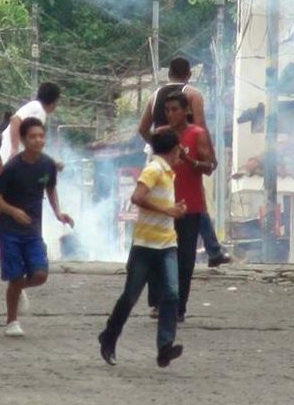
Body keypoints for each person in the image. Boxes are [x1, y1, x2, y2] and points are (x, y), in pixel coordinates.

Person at [98, 129, 186, 368]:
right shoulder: (154, 169)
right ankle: (109, 336)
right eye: (180, 148)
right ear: (173, 149)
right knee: (130, 296)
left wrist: (173, 209)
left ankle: (165, 347)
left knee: (171, 295)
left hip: (167, 242)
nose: (182, 153)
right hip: (146, 245)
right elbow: (137, 197)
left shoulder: (168, 172)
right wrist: (168, 210)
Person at [137, 57, 229, 266]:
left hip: (159, 159)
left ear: (169, 74)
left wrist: (159, 144)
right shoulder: (192, 94)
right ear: (189, 74)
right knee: (193, 201)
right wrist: (209, 157)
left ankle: (157, 249)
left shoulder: (155, 96)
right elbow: (200, 126)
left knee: (165, 200)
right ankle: (211, 250)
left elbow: (143, 129)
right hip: (185, 154)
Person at [0, 117, 74, 337]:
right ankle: (12, 321)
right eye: (33, 136)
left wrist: (58, 213)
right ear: (24, 139)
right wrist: (13, 211)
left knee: (40, 275)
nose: (38, 140)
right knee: (16, 276)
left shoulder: (47, 164)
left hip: (33, 231)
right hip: (9, 230)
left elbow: (50, 188)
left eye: (41, 136)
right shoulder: (12, 167)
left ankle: (17, 291)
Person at [149, 92, 226, 322]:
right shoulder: (163, 135)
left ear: (186, 111)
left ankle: (178, 308)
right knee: (158, 256)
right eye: (168, 110)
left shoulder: (197, 134)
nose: (171, 114)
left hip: (190, 206)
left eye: (175, 109)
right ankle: (159, 301)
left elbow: (210, 165)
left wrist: (189, 160)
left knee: (184, 261)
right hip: (163, 206)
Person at [0, 82, 60, 163]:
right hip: (10, 161)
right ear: (54, 102)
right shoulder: (37, 108)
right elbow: (15, 120)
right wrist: (14, 149)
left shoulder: (37, 109)